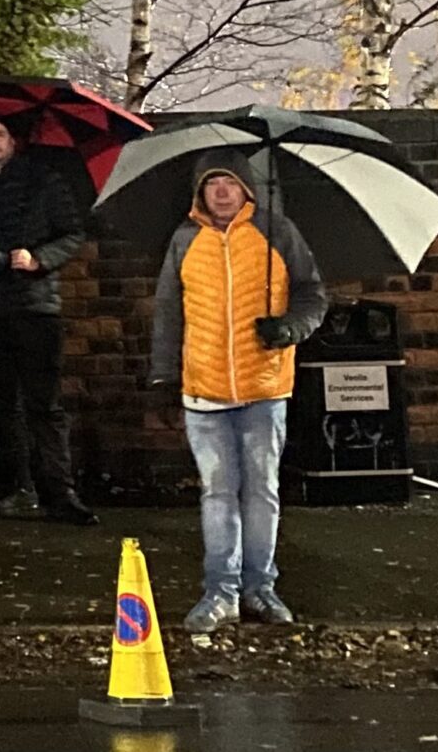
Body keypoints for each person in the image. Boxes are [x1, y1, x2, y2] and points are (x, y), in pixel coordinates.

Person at [148, 150, 329, 633]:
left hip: (263, 385)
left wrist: (289, 328)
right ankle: (221, 590)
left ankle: (260, 587)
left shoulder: (276, 232)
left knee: (262, 494)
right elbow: (169, 311)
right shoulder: (185, 239)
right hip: (203, 389)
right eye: (212, 185)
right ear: (200, 193)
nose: (221, 192)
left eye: (229, 182)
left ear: (247, 188)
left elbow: (313, 294)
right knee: (218, 494)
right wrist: (163, 377)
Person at [0, 117, 95, 525]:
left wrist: (40, 259)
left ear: (13, 140)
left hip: (35, 307)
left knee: (44, 404)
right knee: (1, 406)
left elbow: (71, 233)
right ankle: (18, 488)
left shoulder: (45, 181)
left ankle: (60, 492)